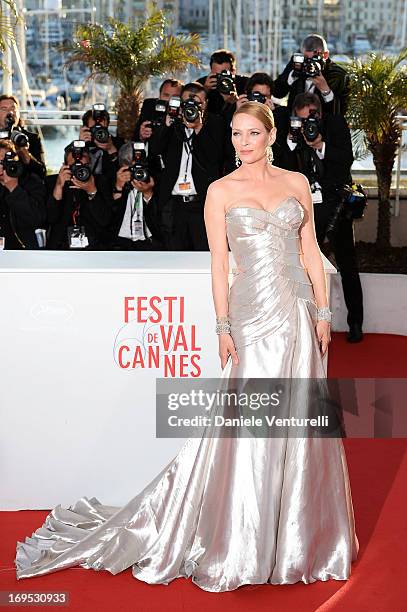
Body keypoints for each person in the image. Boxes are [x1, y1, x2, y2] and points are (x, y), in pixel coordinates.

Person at [15, 103, 359, 592]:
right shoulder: (219, 191)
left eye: (252, 133)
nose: (242, 142)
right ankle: (245, 540)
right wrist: (222, 325)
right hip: (250, 316)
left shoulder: (296, 183)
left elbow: (309, 252)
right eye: (236, 133)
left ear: (271, 135)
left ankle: (298, 541)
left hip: (298, 315)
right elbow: (220, 264)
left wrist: (324, 314)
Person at [274, 92, 364, 343]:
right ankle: (302, 324)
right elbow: (281, 168)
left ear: (320, 114)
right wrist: (293, 142)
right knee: (300, 266)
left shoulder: (334, 128)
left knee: (347, 264)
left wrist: (320, 145)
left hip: (336, 206)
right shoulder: (293, 135)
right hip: (304, 209)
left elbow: (346, 159)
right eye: (302, 120)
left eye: (312, 119)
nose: (308, 126)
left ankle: (355, 323)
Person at [149, 81, 225, 250]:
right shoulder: (173, 122)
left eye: (197, 103)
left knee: (203, 255)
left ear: (205, 104)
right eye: (187, 104)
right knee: (174, 256)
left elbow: (215, 158)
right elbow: (154, 150)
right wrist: (167, 125)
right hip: (174, 205)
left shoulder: (215, 123)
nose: (192, 108)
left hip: (201, 204)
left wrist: (198, 128)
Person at [46, 141, 111, 250]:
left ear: (90, 163)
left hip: (94, 247)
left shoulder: (100, 182)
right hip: (61, 246)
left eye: (84, 166)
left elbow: (105, 220)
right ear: (65, 166)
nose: (79, 171)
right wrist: (59, 186)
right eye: (75, 167)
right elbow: (50, 218)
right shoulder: (53, 182)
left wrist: (92, 191)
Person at [273, 34, 349, 116]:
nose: (309, 63)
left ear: (325, 55)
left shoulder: (337, 75)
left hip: (324, 124)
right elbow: (277, 93)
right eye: (306, 59)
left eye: (314, 59)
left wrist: (326, 91)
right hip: (295, 120)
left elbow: (339, 113)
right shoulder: (297, 64)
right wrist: (289, 79)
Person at [107, 142, 164, 250]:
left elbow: (162, 218)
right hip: (121, 242)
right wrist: (118, 187)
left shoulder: (154, 180)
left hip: (150, 241)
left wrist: (148, 193)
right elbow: (109, 217)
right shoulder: (113, 180)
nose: (135, 172)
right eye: (131, 168)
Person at [0, 139, 46, 249]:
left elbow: (37, 219)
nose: (3, 166)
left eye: (6, 162)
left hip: (24, 250)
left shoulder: (31, 181)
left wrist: (14, 188)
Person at [0, 94, 46, 179]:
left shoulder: (32, 138)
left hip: (24, 185)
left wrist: (24, 152)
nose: (10, 112)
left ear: (18, 112)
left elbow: (42, 172)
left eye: (13, 108)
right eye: (4, 109)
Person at [79, 105, 124, 184]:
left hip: (110, 188)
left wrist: (111, 150)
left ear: (107, 125)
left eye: (101, 128)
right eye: (94, 128)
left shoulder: (119, 144)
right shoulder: (78, 147)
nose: (98, 133)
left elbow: (123, 173)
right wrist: (80, 144)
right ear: (86, 128)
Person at [197, 49, 248, 116]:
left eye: (224, 74)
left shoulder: (245, 84)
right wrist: (205, 90)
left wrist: (235, 102)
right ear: (211, 71)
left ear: (233, 71)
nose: (221, 78)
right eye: (217, 75)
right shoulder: (202, 83)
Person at [133, 78, 184, 143]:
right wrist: (142, 135)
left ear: (182, 99)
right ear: (159, 96)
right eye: (166, 95)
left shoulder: (184, 113)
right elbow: (136, 137)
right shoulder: (150, 107)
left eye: (175, 97)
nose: (169, 100)